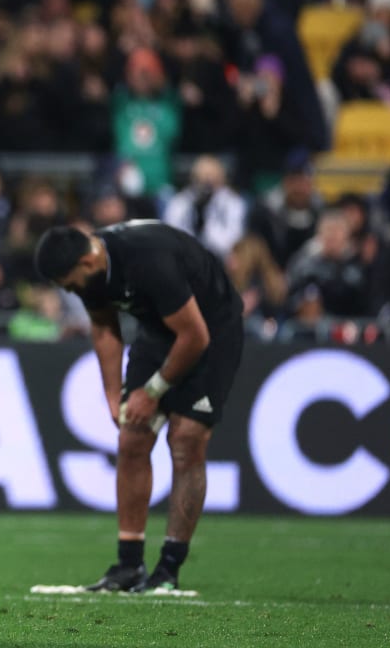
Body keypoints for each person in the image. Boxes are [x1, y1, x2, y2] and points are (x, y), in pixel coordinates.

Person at [34, 220, 244, 593]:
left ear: (86, 263)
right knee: (132, 437)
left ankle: (169, 568)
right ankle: (128, 565)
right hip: (161, 330)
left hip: (210, 330)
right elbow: (103, 326)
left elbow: (195, 336)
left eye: (68, 283)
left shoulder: (149, 260)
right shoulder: (92, 271)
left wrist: (153, 390)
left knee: (186, 439)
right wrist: (115, 397)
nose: (67, 291)